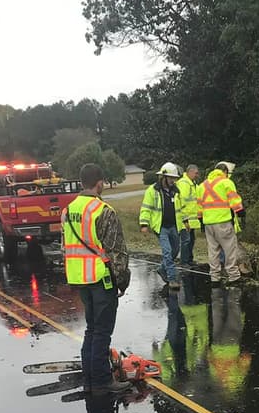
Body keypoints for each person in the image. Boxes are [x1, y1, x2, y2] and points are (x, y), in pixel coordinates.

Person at [62, 162, 130, 393]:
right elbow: (117, 251)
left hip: (80, 278)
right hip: (101, 278)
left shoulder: (68, 210)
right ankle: (102, 381)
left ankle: (89, 378)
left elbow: (65, 246)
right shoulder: (103, 211)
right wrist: (122, 281)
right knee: (102, 331)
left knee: (91, 329)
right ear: (99, 183)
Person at [198, 161, 246, 285]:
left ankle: (214, 277)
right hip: (223, 222)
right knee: (229, 250)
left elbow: (199, 206)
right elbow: (234, 200)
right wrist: (240, 212)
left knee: (213, 251)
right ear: (225, 171)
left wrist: (200, 220)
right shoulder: (226, 182)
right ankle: (234, 276)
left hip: (208, 223)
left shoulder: (202, 185)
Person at [139, 162, 183, 290]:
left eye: (174, 178)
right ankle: (172, 278)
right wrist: (144, 224)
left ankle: (162, 269)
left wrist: (185, 221)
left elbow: (181, 208)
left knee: (175, 250)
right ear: (163, 177)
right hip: (161, 227)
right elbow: (146, 208)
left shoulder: (176, 191)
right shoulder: (152, 191)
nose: (173, 180)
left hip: (174, 226)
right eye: (171, 178)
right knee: (167, 252)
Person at [176, 164, 202, 266]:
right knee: (186, 240)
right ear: (190, 172)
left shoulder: (192, 184)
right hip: (185, 219)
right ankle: (184, 261)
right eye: (196, 173)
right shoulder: (184, 183)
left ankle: (189, 260)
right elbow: (182, 202)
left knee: (191, 240)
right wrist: (185, 219)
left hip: (191, 219)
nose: (197, 175)